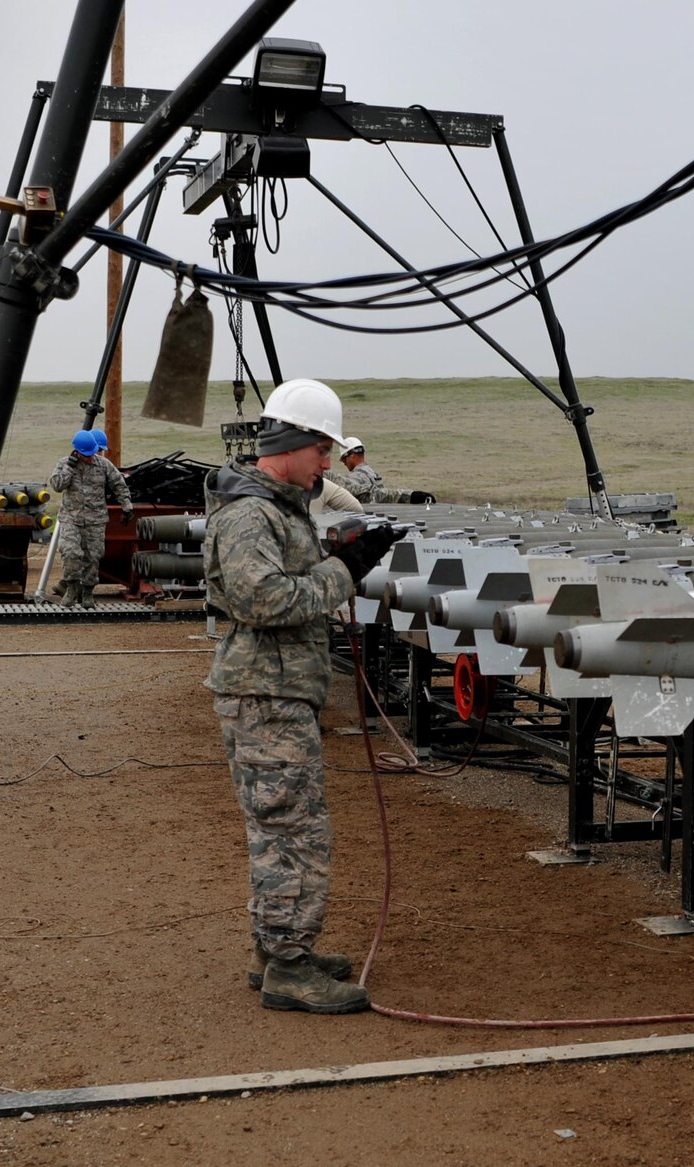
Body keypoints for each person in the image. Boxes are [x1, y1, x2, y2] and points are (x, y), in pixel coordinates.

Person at [204, 378, 404, 1014]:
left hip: (273, 690)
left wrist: (331, 554)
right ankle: (289, 965)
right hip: (267, 694)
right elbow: (262, 598)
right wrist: (343, 572)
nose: (328, 463)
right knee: (296, 830)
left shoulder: (275, 510)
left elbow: (281, 577)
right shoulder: (249, 514)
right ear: (291, 444)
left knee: (280, 826)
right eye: (322, 449)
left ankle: (275, 951)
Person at [48, 429, 131, 608]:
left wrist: (126, 505)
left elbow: (119, 483)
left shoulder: (103, 464)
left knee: (93, 556)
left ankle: (87, 592)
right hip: (71, 518)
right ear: (77, 452)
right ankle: (70, 589)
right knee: (70, 553)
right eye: (87, 455)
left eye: (94, 453)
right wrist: (69, 468)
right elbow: (57, 486)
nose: (92, 457)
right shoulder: (64, 464)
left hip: (96, 519)